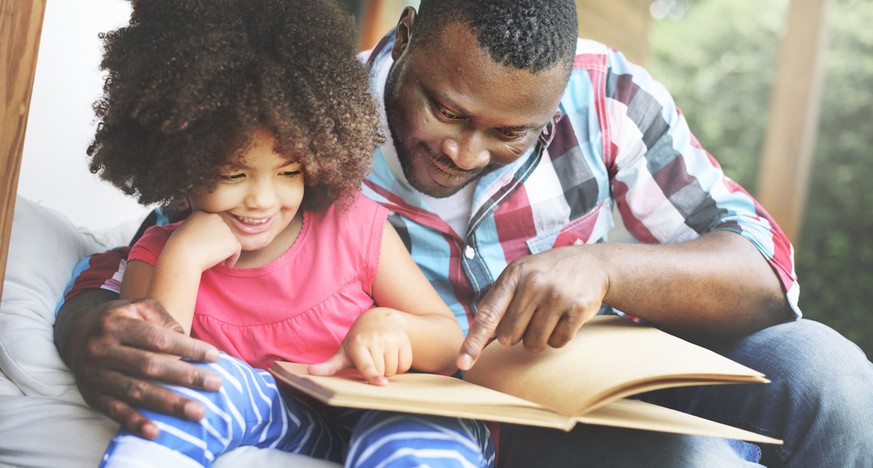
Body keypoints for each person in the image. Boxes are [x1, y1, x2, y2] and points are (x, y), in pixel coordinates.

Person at [55, 0, 873, 466]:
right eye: (443, 108)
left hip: (608, 378)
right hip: (471, 416)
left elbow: (762, 272)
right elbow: (165, 239)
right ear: (405, 40)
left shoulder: (609, 96)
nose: (462, 150)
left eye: (507, 133)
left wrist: (606, 270)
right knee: (692, 461)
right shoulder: (309, 120)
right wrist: (94, 328)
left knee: (832, 378)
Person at [77, 0, 495, 466]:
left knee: (416, 436)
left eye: (288, 171)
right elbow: (158, 380)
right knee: (208, 388)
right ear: (178, 163)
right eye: (233, 175)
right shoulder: (159, 255)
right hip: (290, 422)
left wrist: (394, 328)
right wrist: (183, 258)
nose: (261, 199)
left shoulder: (350, 224)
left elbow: (449, 344)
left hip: (387, 407)